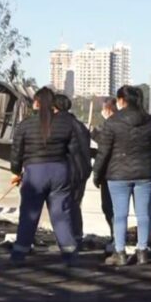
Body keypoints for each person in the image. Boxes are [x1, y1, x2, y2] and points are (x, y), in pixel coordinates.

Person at [9, 86, 81, 266]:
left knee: (29, 214)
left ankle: (19, 253)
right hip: (60, 172)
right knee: (61, 215)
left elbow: (16, 151)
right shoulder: (66, 124)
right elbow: (74, 151)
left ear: (37, 103)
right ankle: (69, 253)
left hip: (35, 173)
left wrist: (16, 170)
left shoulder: (25, 125)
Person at [93, 85, 151, 266]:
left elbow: (103, 152)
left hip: (118, 174)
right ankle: (142, 252)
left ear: (121, 100)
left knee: (120, 215)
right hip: (145, 173)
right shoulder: (150, 121)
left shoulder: (112, 122)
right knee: (143, 214)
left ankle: (120, 252)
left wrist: (96, 174)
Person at [53, 94, 92, 247]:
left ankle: (65, 240)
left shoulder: (56, 125)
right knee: (75, 205)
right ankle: (77, 236)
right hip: (81, 170)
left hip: (64, 170)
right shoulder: (79, 125)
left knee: (61, 206)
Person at [93, 98, 119, 253]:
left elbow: (104, 150)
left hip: (110, 172)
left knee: (109, 207)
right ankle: (117, 237)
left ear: (109, 110)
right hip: (122, 172)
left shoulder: (108, 126)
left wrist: (97, 173)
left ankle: (116, 238)